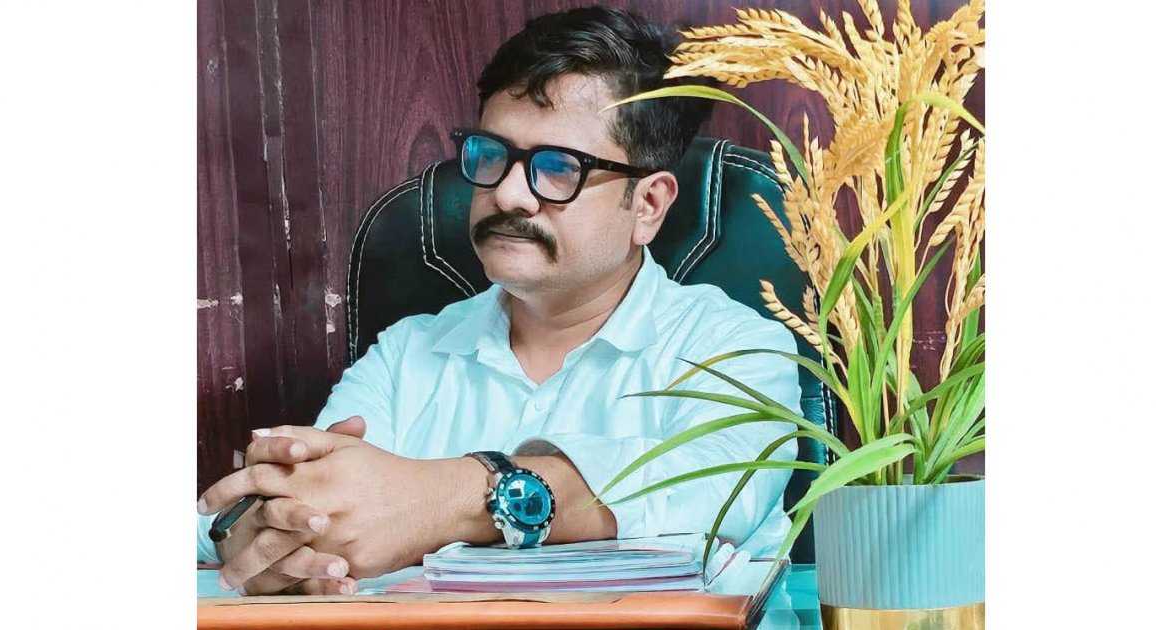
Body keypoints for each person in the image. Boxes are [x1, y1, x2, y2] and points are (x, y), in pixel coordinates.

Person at [196, 5, 801, 596]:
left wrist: (450, 498)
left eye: (558, 168)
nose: (509, 195)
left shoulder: (734, 346)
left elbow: (717, 488)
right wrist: (264, 536)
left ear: (648, 205)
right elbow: (306, 507)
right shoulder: (407, 354)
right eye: (491, 156)